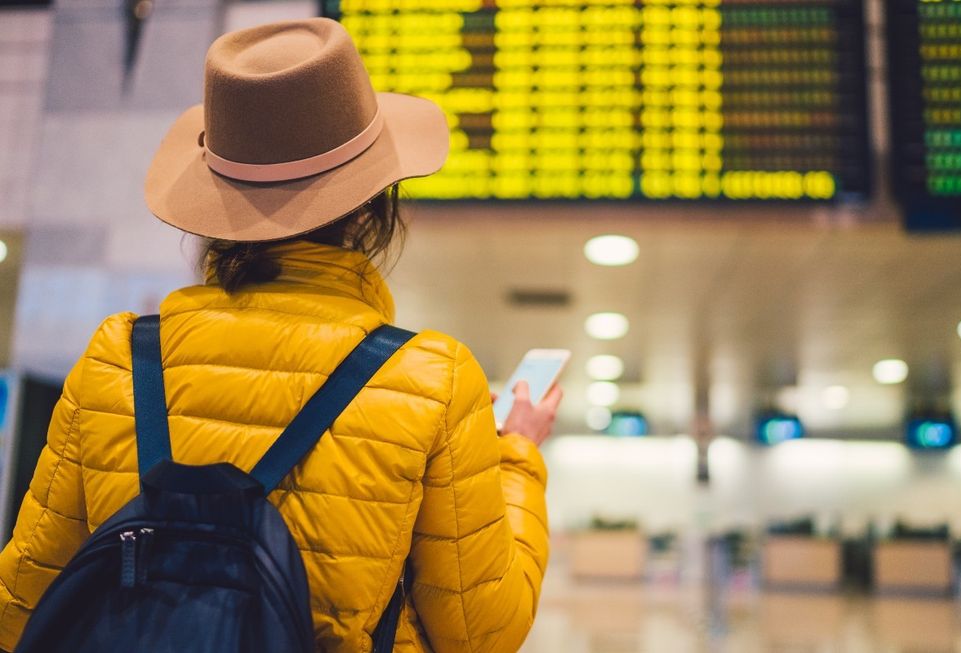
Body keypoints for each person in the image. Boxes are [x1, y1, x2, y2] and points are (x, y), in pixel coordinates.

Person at [0, 18, 560, 653]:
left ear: (215, 204)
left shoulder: (121, 354)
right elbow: (483, 634)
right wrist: (517, 452)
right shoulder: (431, 378)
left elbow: (23, 604)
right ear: (376, 205)